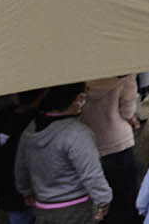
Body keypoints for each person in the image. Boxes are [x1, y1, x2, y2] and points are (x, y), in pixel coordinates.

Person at [14, 82, 112, 224]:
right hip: (75, 210)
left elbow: (20, 168)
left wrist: (26, 191)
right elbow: (91, 174)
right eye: (82, 97)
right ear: (77, 99)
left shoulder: (30, 129)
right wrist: (104, 200)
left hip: (43, 209)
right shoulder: (77, 133)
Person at [81, 77, 139, 224]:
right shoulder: (126, 75)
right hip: (119, 141)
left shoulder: (81, 77)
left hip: (90, 141)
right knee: (126, 197)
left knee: (104, 199)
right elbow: (127, 111)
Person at [0, 89, 43, 224]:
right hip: (31, 193)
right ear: (42, 96)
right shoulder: (35, 122)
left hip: (6, 189)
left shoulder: (2, 116)